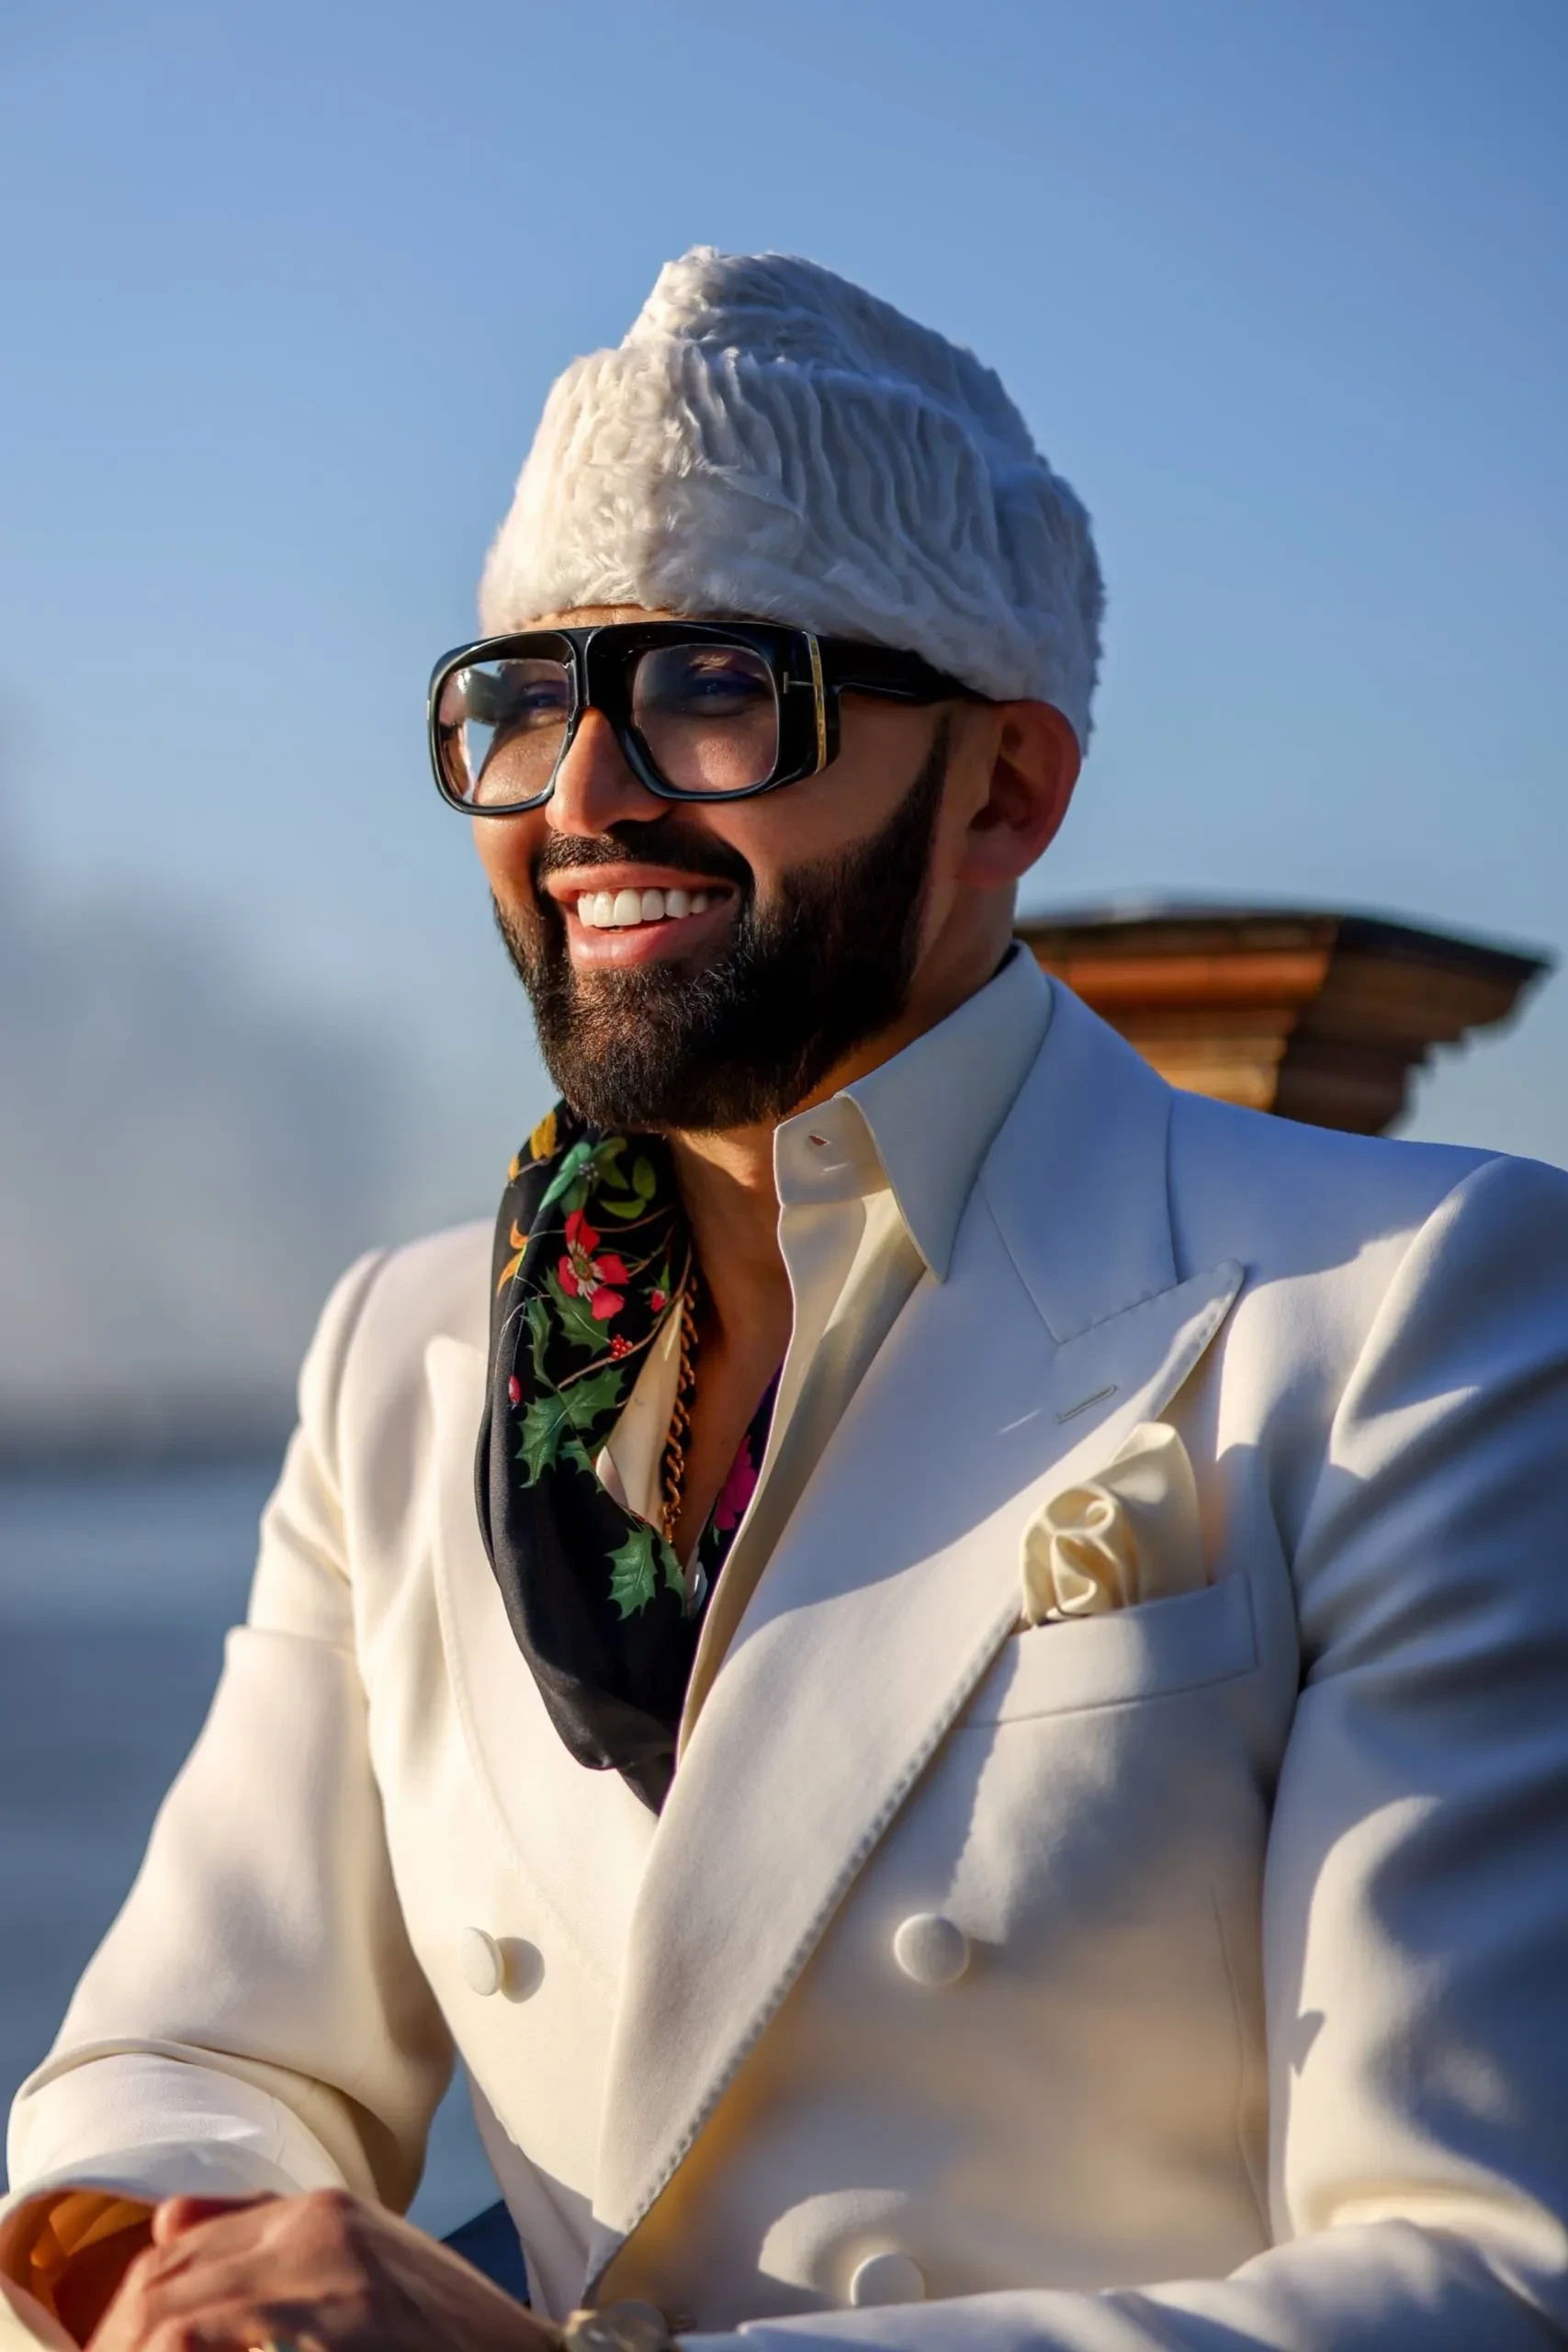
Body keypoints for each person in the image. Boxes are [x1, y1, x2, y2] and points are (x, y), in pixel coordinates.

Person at [4, 246, 1567, 2352]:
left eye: (715, 687)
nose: (583, 797)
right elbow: (195, 2046)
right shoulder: (411, 1349)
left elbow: (1482, 2275)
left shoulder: (1410, 1311)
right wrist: (159, 2272)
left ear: (1004, 788)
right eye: (524, 698)